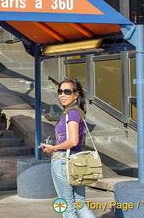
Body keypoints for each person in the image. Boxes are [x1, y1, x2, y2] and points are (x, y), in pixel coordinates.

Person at [41, 78, 96, 218]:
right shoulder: (77, 112)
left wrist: (53, 148)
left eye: (67, 92)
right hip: (76, 161)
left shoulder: (72, 113)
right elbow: (78, 141)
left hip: (63, 161)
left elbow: (73, 141)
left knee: (68, 207)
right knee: (80, 204)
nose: (62, 95)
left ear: (76, 94)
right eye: (60, 92)